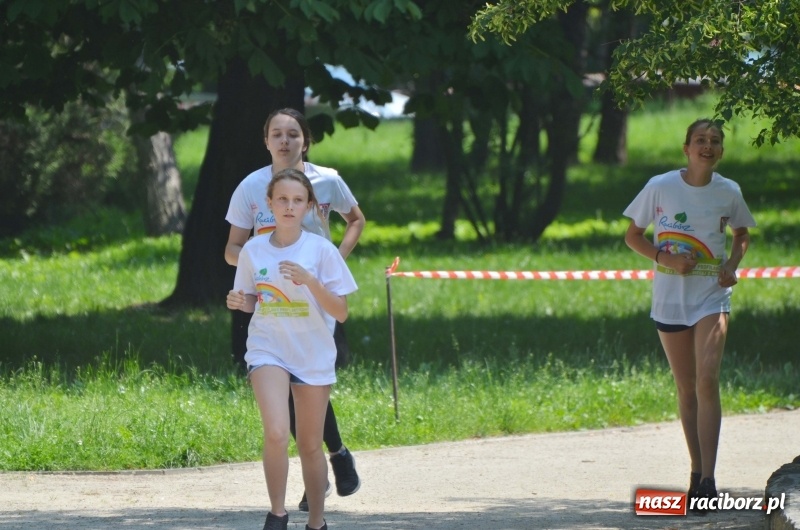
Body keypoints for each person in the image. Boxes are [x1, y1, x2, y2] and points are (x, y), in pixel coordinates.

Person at [225, 108, 364, 509]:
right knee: (281, 376)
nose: (285, 141)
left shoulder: (327, 180)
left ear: (306, 140)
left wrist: (332, 260)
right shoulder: (251, 187)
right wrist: (257, 262)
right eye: (276, 134)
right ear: (265, 141)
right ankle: (331, 459)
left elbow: (356, 219)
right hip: (269, 297)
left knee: (308, 374)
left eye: (293, 134)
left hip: (314, 295)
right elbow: (232, 247)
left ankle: (329, 459)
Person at [622, 119, 755, 514]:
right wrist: (666, 258)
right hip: (670, 299)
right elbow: (633, 235)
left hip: (711, 297)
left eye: (715, 141)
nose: (708, 146)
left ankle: (710, 481)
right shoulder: (660, 186)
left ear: (721, 152)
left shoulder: (728, 191)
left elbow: (742, 233)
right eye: (701, 140)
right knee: (686, 388)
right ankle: (696, 472)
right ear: (686, 148)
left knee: (707, 379)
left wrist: (732, 263)